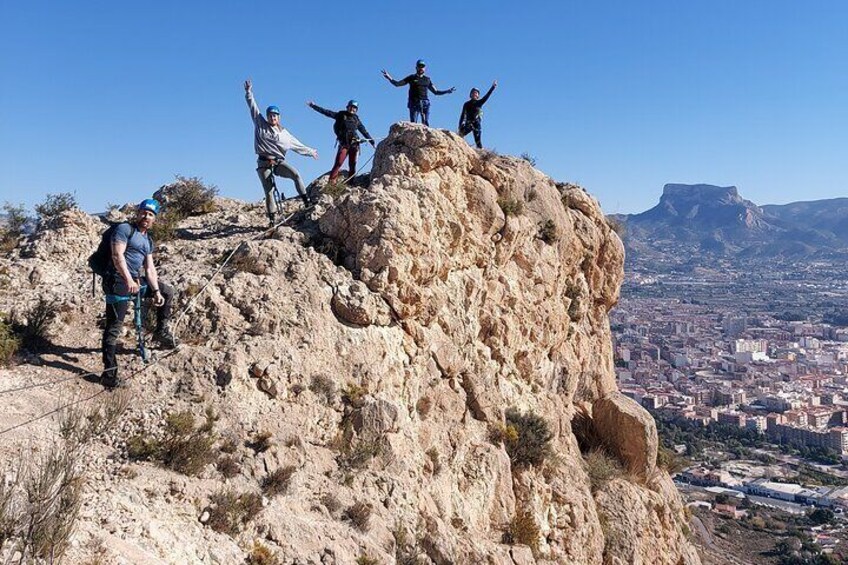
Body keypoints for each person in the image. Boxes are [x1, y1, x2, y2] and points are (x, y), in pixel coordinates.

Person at [101, 199, 176, 389]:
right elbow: (118, 256)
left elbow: (150, 268)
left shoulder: (147, 240)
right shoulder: (125, 230)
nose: (146, 217)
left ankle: (161, 332)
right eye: (144, 212)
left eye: (151, 214)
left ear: (154, 219)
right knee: (114, 328)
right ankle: (109, 374)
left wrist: (157, 292)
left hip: (134, 280)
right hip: (117, 280)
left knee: (167, 292)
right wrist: (128, 280)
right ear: (138, 213)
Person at [244, 79, 319, 222]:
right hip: (263, 163)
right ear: (267, 117)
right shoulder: (260, 124)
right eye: (270, 115)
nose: (272, 117)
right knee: (269, 192)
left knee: (296, 175)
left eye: (275, 115)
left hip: (278, 162)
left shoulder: (285, 134)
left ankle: (306, 202)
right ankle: (272, 220)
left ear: (279, 117)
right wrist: (249, 92)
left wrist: (311, 152)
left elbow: (298, 146)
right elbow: (252, 106)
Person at [307, 99, 375, 183]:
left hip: (354, 144)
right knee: (338, 162)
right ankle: (331, 183)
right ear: (347, 107)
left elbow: (363, 130)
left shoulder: (356, 119)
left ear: (356, 110)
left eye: (354, 108)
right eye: (351, 107)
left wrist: (372, 141)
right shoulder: (341, 115)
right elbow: (327, 112)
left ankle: (351, 182)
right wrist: (314, 106)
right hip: (344, 144)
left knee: (352, 164)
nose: (352, 109)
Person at [381, 60, 455, 126]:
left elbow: (435, 92)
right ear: (416, 67)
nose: (421, 68)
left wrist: (447, 91)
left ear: (425, 68)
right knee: (413, 124)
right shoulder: (411, 77)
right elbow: (397, 84)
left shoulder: (427, 79)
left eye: (422, 66)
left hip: (425, 103)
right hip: (414, 103)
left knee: (425, 123)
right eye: (419, 66)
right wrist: (389, 78)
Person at [459, 81, 498, 149]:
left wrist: (493, 87)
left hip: (476, 123)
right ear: (470, 94)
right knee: (460, 133)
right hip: (468, 122)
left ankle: (481, 152)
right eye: (473, 92)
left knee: (478, 141)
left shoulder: (479, 102)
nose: (474, 94)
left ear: (478, 95)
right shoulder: (466, 104)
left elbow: (487, 95)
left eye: (476, 93)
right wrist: (461, 124)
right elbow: (463, 115)